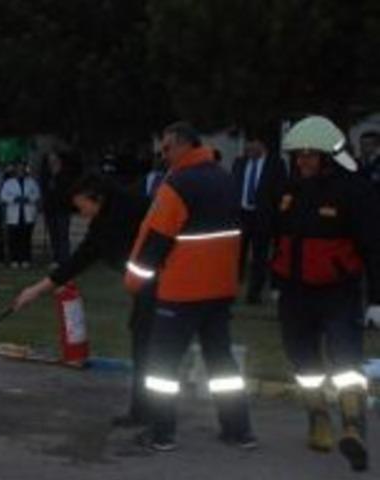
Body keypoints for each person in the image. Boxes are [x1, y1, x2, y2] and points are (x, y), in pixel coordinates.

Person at [124, 121, 255, 452]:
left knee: (161, 367)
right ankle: (239, 431)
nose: (163, 155)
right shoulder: (226, 180)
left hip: (181, 291)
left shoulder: (177, 185)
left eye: (167, 148)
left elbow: (156, 238)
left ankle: (161, 433)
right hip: (220, 288)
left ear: (183, 145)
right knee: (222, 363)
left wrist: (135, 280)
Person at [268, 116, 380, 472]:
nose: (303, 161)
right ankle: (318, 418)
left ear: (328, 156)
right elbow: (272, 237)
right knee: (304, 364)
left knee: (346, 364)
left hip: (339, 293)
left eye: (310, 155)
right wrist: (274, 280)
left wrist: (376, 299)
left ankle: (353, 428)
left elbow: (374, 247)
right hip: (294, 293)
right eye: (299, 155)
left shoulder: (355, 191)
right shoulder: (289, 190)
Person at [13, 173, 152, 426]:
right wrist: (35, 290)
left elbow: (81, 258)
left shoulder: (128, 212)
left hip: (165, 288)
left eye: (82, 206)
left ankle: (153, 416)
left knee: (153, 348)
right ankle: (144, 412)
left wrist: (35, 290)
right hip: (148, 289)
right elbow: (77, 261)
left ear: (96, 198)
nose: (81, 213)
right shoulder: (107, 218)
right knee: (144, 343)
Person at [231, 134, 286, 304]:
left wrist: (276, 215)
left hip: (263, 216)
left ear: (261, 144)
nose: (248, 147)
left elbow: (280, 191)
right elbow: (233, 187)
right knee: (236, 254)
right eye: (247, 144)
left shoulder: (275, 164)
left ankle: (254, 294)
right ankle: (232, 289)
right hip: (242, 215)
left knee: (260, 256)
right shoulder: (239, 163)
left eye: (252, 143)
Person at [1, 162, 40, 269]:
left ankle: (26, 259)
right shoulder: (9, 182)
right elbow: (4, 195)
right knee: (14, 238)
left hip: (27, 213)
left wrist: (28, 198)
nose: (20, 171)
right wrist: (14, 199)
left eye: (22, 169)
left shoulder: (31, 182)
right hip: (13, 213)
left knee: (26, 238)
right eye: (18, 169)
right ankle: (14, 259)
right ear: (15, 170)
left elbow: (36, 194)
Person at [40, 152, 74, 265]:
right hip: (50, 209)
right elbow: (44, 191)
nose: (52, 163)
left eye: (54, 160)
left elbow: (68, 191)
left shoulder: (65, 174)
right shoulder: (46, 175)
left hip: (62, 209)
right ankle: (56, 258)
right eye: (50, 160)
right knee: (53, 235)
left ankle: (65, 259)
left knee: (63, 235)